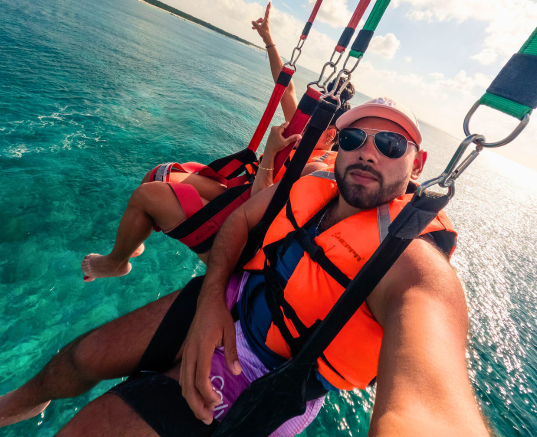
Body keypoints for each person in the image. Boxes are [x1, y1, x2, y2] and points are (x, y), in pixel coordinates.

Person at [0, 98, 494, 437]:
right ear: (338, 148)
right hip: (228, 302)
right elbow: (239, 227)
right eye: (353, 138)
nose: (368, 151)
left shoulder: (413, 263)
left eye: (390, 143)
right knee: (79, 359)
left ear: (417, 164)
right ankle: (15, 404)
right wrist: (211, 304)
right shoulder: (308, 188)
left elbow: (430, 407)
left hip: (271, 374)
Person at [81, 3, 354, 281]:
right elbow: (286, 86)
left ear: (331, 134)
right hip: (238, 195)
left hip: (240, 233)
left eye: (310, 119)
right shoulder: (304, 133)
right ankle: (136, 236)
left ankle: (116, 263)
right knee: (159, 173)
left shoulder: (316, 168)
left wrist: (270, 153)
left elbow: (261, 210)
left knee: (146, 196)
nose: (300, 119)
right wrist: (268, 38)